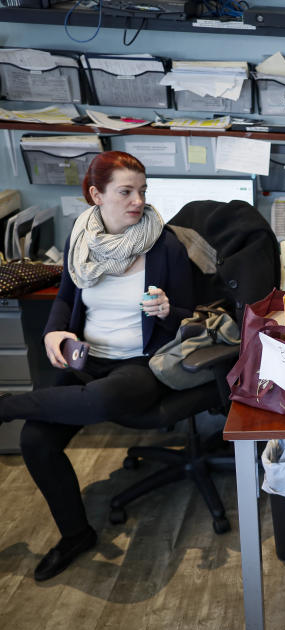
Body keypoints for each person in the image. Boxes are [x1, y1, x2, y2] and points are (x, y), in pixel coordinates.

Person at [0, 151, 194, 581]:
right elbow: (67, 297)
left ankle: (6, 406)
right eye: (125, 192)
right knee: (36, 440)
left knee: (103, 399)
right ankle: (75, 535)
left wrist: (168, 310)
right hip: (86, 358)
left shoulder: (164, 245)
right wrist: (55, 333)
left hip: (142, 364)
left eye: (142, 191)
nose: (138, 201)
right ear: (96, 195)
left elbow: (193, 316)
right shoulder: (81, 239)